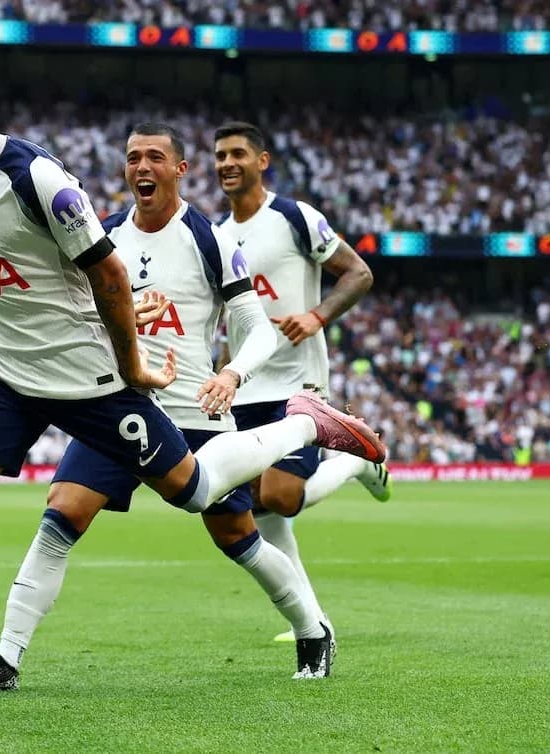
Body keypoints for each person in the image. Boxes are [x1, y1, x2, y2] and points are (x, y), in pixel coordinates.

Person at [0, 65, 384, 719]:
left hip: (102, 385)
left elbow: (110, 278)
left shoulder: (46, 182)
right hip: (2, 377)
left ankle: (305, 427)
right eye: (132, 157)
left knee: (200, 500)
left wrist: (167, 369)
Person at [0, 122, 341, 695]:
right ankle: (5, 658)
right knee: (63, 511)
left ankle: (312, 627)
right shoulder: (102, 238)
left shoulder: (208, 238)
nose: (142, 167)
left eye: (155, 157)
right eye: (133, 158)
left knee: (238, 537)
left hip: (195, 415)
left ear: (179, 169)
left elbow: (256, 329)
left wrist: (232, 372)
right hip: (117, 402)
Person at [213, 121, 392, 643]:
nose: (227, 163)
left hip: (299, 382)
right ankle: (313, 621)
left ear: (261, 161)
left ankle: (357, 463)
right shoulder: (219, 238)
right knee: (260, 504)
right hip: (247, 389)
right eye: (220, 155)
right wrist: (224, 375)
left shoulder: (293, 217)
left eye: (238, 154)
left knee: (283, 494)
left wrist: (316, 316)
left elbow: (358, 273)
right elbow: (233, 321)